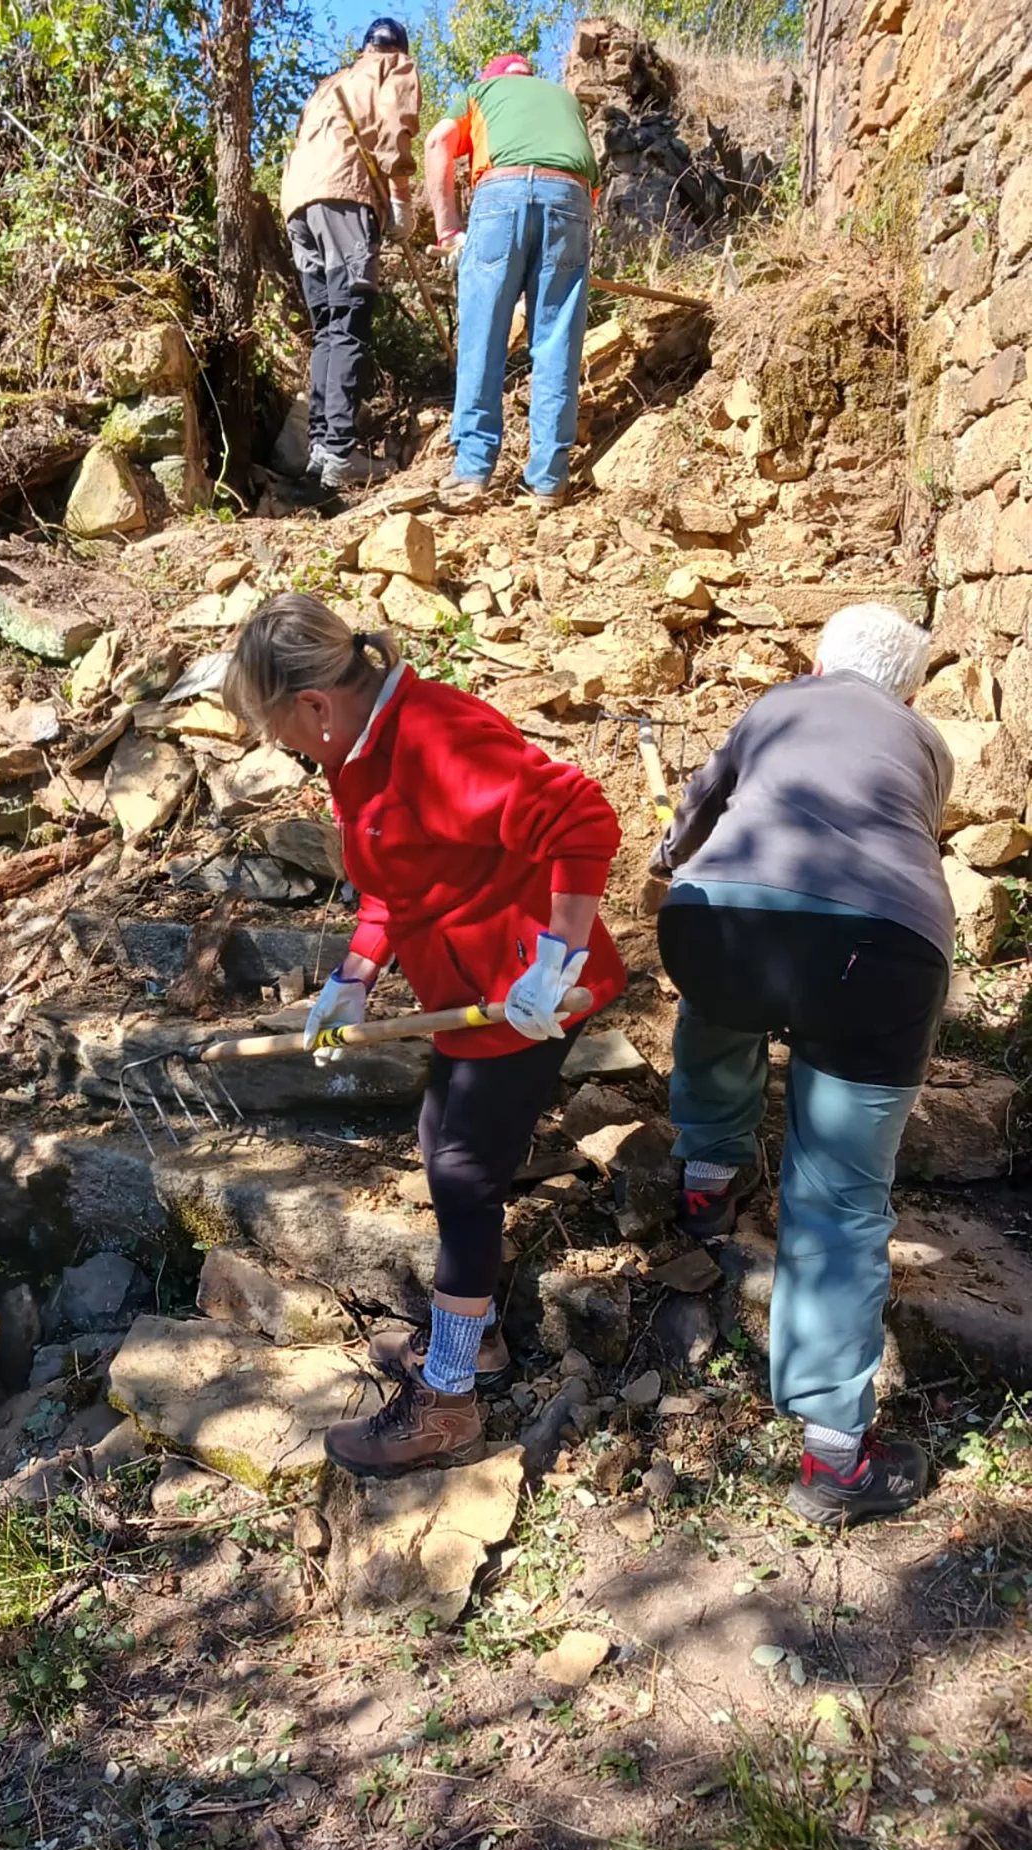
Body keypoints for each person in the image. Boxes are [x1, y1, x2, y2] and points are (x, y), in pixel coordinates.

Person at [225, 593, 625, 1477]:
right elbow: (393, 879)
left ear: (315, 705)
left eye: (279, 733)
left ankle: (446, 1403)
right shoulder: (358, 753)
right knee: (441, 1142)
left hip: (524, 993)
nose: (284, 749)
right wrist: (356, 973)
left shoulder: (436, 740)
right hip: (470, 988)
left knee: (464, 1174)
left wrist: (557, 953)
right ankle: (474, 1338)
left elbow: (581, 818)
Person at [648, 604, 954, 1528]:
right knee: (842, 1198)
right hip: (880, 951)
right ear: (908, 694)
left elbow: (701, 804)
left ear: (819, 667)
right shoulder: (926, 743)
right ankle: (834, 1460)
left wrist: (670, 861)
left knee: (723, 1003)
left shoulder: (778, 704)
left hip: (719, 924)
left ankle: (708, 1179)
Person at [423, 53, 600, 510]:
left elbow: (437, 141)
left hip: (501, 194)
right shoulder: (565, 100)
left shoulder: (481, 92)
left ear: (493, 78)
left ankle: (471, 472)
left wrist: (449, 231)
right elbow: (591, 190)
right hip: (571, 197)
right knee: (556, 339)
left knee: (483, 334)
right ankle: (549, 482)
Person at [279, 18, 421, 494]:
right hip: (344, 195)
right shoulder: (393, 68)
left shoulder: (329, 84)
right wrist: (400, 200)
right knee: (349, 317)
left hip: (298, 203)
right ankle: (340, 452)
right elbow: (395, 130)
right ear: (397, 48)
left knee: (327, 326)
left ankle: (321, 450)